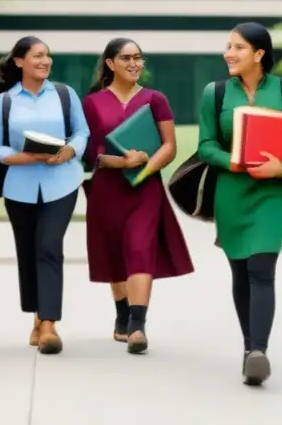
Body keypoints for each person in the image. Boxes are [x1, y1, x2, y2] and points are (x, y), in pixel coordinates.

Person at [196, 22, 282, 386]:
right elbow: (206, 145)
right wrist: (234, 162)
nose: (229, 54)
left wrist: (281, 167)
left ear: (259, 54)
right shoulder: (215, 93)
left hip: (274, 194)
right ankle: (249, 346)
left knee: (261, 268)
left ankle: (259, 351)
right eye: (228, 46)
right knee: (240, 271)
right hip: (231, 193)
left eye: (237, 47)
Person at [82, 38, 194, 354]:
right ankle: (122, 313)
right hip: (107, 189)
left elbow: (169, 146)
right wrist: (121, 162)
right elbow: (92, 154)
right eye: (126, 57)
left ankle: (137, 326)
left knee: (139, 248)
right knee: (114, 252)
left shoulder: (155, 99)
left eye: (138, 57)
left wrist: (143, 169)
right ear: (110, 63)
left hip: (145, 189)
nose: (134, 63)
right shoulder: (92, 102)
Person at [0, 35, 90, 355]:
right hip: (20, 185)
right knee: (28, 251)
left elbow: (82, 131)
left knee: (49, 246)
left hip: (62, 182)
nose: (45, 61)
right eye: (37, 55)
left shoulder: (64, 94)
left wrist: (70, 149)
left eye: (48, 55)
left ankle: (49, 325)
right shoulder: (4, 101)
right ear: (19, 62)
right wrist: (21, 156)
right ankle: (37, 316)